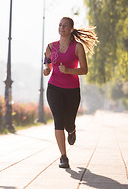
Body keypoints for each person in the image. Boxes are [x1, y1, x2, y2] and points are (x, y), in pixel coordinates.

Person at [43, 17, 98, 168]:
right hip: (54, 88)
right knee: (58, 120)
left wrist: (68, 70)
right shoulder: (50, 46)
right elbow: (46, 64)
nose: (61, 28)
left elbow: (84, 70)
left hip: (72, 90)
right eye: (60, 25)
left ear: (71, 29)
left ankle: (71, 129)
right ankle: (63, 156)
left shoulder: (77, 47)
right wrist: (46, 70)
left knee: (68, 122)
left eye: (65, 26)